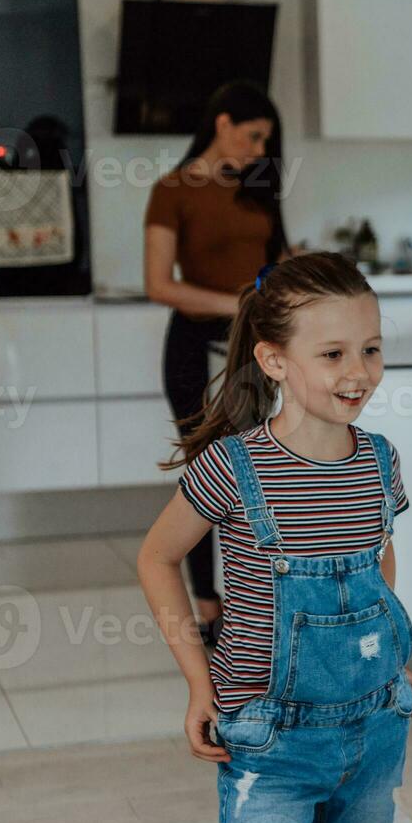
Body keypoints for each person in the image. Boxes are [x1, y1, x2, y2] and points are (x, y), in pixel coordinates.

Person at [137, 251, 412, 823]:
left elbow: (376, 563)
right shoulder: (235, 466)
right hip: (271, 745)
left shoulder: (380, 461)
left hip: (376, 736)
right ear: (274, 361)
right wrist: (197, 683)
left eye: (371, 349)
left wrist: (395, 663)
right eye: (332, 354)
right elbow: (156, 558)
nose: (358, 372)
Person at [144, 80, 294, 646]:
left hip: (257, 349)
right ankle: (210, 607)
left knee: (267, 469)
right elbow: (158, 284)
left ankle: (264, 597)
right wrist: (238, 303)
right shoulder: (173, 189)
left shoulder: (257, 184)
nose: (259, 150)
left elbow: (278, 262)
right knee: (208, 473)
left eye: (265, 141)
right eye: (253, 136)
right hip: (194, 349)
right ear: (223, 122)